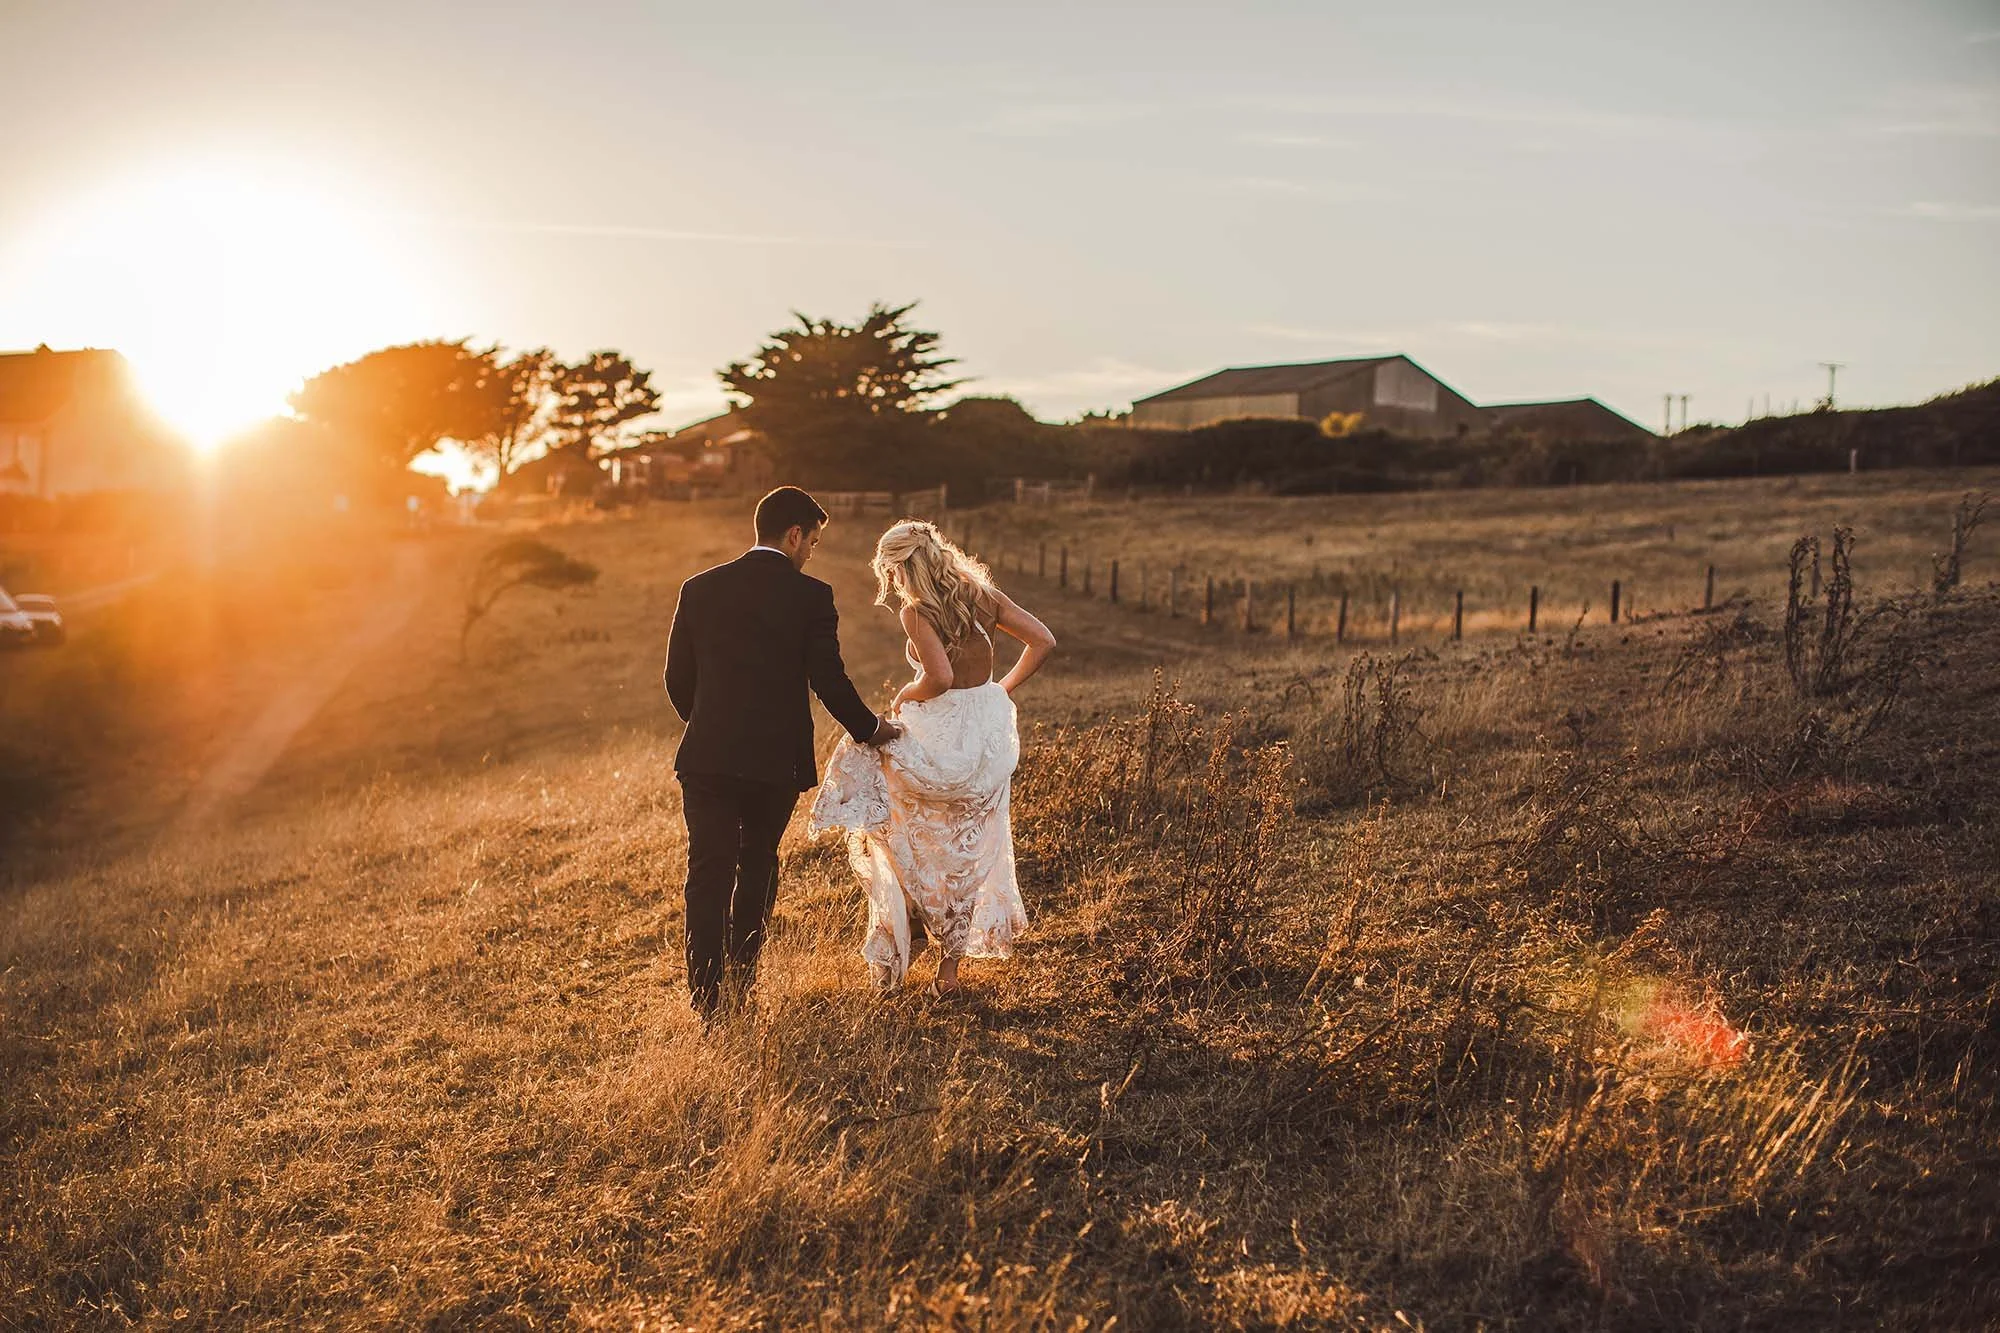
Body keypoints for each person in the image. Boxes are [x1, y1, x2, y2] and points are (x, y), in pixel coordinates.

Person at [663, 486, 902, 1020]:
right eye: (812, 542)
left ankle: (707, 1004)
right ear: (793, 535)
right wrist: (872, 730)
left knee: (707, 873)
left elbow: (677, 679)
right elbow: (829, 681)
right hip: (774, 766)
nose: (811, 553)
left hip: (707, 758)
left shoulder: (698, 589)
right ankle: (741, 986)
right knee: (757, 866)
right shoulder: (810, 597)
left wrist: (708, 727)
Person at [810, 520, 1056, 996]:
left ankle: (910, 920)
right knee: (969, 845)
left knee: (893, 809)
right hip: (986, 734)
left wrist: (905, 692)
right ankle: (948, 973)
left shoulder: (917, 612)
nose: (894, 583)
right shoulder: (979, 594)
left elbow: (939, 677)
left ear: (900, 567)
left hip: (944, 728)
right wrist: (997, 690)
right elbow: (1043, 640)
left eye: (892, 572)